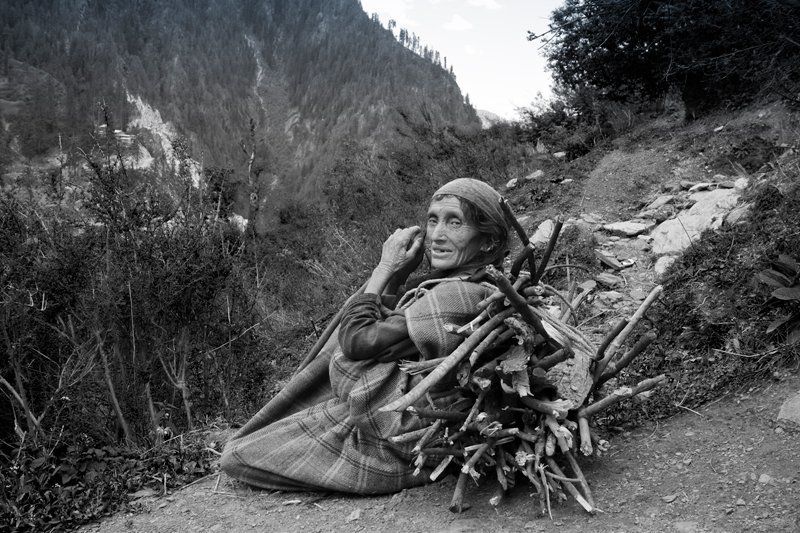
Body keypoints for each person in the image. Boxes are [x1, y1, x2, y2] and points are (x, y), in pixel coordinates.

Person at [220, 178, 509, 494]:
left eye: (455, 223)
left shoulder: (457, 295)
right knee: (255, 441)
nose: (437, 235)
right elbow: (391, 332)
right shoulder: (460, 286)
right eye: (433, 219)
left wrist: (384, 270)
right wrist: (399, 277)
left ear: (488, 241)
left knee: (237, 457)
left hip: (395, 436)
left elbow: (358, 342)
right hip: (388, 412)